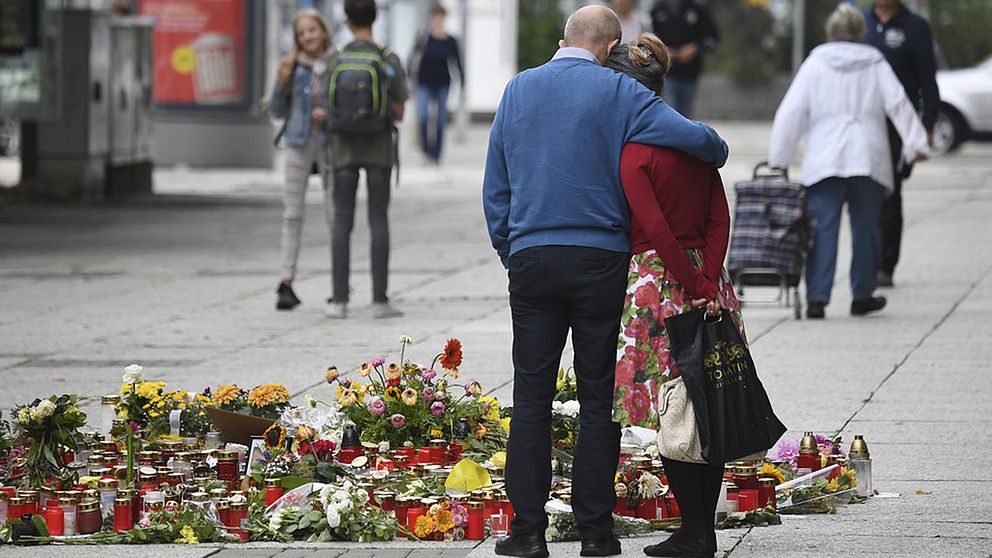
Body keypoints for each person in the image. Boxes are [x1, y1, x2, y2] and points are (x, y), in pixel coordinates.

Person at [483, 6, 728, 557]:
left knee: (531, 397)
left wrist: (510, 249)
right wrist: (714, 142)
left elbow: (495, 184)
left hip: (533, 260)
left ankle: (525, 536)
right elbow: (706, 145)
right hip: (600, 262)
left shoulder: (518, 89)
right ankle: (596, 534)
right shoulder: (620, 93)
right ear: (610, 45)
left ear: (563, 39)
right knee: (598, 401)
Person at [605, 32, 742, 558]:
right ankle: (702, 528)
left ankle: (694, 532)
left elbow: (653, 228)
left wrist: (687, 281)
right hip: (710, 283)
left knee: (673, 409)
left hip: (656, 288)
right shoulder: (696, 144)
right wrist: (709, 278)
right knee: (705, 403)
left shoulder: (634, 152)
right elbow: (719, 216)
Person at [769, 4, 928, 319]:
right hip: (868, 157)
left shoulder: (815, 64)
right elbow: (898, 102)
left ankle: (817, 298)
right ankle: (862, 294)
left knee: (822, 229)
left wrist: (780, 157)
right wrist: (916, 143)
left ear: (831, 34)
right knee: (867, 228)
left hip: (824, 159)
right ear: (861, 33)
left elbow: (792, 112)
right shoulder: (875, 61)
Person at [325, 0, 409, 319]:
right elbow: (399, 111)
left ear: (347, 21)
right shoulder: (388, 58)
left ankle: (338, 301)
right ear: (375, 17)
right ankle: (379, 300)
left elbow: (327, 105)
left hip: (343, 147)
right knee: (377, 219)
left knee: (342, 220)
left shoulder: (336, 58)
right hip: (378, 148)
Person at [864, 0, 940, 287]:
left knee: (890, 192)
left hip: (899, 126)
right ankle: (865, 261)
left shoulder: (916, 27)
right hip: (865, 124)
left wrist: (927, 125)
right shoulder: (862, 23)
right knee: (863, 195)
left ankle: (885, 265)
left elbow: (928, 80)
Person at [269, 9, 334, 311]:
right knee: (292, 215)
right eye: (301, 33)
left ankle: (339, 283)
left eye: (312, 30)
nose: (307, 36)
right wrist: (281, 83)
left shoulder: (337, 62)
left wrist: (330, 113)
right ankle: (286, 282)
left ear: (322, 31)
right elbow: (277, 110)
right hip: (297, 142)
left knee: (336, 214)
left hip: (330, 142)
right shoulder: (290, 66)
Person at [409, 4, 465, 164]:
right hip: (424, 82)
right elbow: (412, 58)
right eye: (436, 16)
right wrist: (407, 77)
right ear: (432, 18)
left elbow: (458, 63)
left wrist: (463, 85)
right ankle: (426, 151)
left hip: (443, 83)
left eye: (442, 16)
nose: (439, 20)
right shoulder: (423, 38)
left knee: (440, 119)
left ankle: (436, 154)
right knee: (424, 117)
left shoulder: (451, 41)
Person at [649, 0, 719, 118]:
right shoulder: (657, 10)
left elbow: (712, 38)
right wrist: (663, 50)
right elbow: (650, 39)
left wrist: (694, 48)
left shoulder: (697, 9)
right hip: (666, 71)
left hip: (691, 71)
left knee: (686, 111)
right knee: (671, 109)